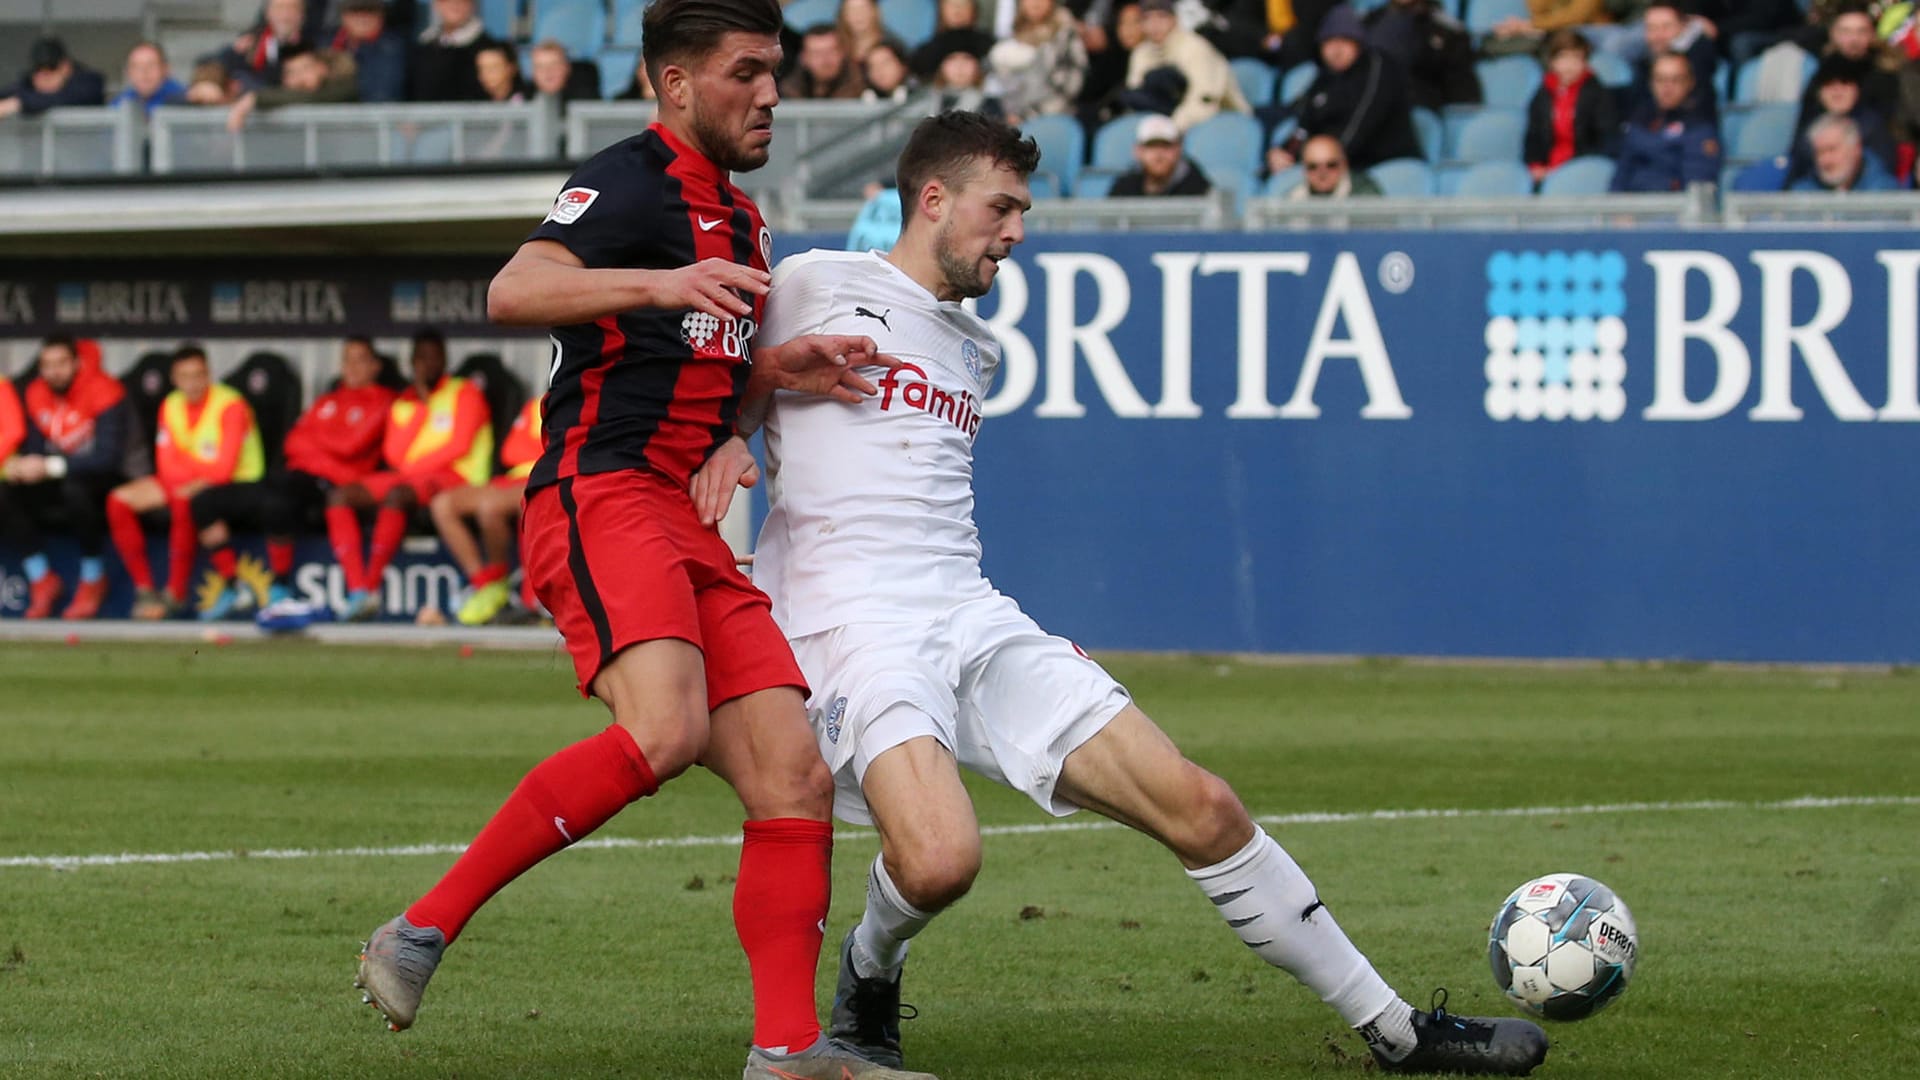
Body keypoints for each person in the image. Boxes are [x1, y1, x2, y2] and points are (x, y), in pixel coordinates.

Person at [690, 108, 1550, 1079]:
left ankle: (1400, 1034)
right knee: (938, 862)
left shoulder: (976, 350)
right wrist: (729, 421)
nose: (1017, 231)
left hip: (970, 611)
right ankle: (868, 968)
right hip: (851, 625)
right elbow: (703, 387)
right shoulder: (811, 285)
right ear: (933, 199)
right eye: (1002, 207)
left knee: (1203, 805)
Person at [352, 3, 925, 1077]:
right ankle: (420, 928)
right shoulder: (629, 180)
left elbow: (703, 374)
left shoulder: (746, 223)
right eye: (745, 73)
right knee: (663, 732)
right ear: (674, 86)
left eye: (776, 72)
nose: (771, 94)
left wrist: (759, 389)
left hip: (683, 515)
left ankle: (786, 1050)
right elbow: (515, 290)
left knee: (794, 778)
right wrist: (657, 281)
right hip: (599, 491)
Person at [193, 336, 396, 622]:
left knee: (278, 501)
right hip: (293, 475)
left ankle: (279, 588)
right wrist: (325, 443)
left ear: (375, 366)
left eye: (360, 359)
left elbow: (352, 445)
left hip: (329, 482)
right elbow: (293, 442)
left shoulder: (383, 400)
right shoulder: (327, 400)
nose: (351, 366)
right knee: (205, 501)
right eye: (346, 359)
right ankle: (231, 587)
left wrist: (316, 442)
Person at [325, 328, 491, 621]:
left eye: (434, 357)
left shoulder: (465, 392)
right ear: (412, 363)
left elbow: (458, 445)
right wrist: (421, 406)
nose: (428, 363)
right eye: (421, 358)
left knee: (396, 495)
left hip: (456, 478)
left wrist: (413, 467)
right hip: (411, 477)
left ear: (444, 359)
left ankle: (372, 586)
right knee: (340, 495)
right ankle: (358, 590)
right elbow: (394, 454)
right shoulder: (405, 402)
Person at [106, 345, 264, 620]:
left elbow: (224, 469)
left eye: (199, 375)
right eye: (185, 376)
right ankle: (145, 589)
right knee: (118, 500)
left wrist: (186, 464)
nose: (193, 383)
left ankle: (176, 592)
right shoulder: (171, 404)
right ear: (175, 379)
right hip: (183, 480)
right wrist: (193, 469)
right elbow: (165, 464)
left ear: (209, 374)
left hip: (235, 485)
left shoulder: (231, 405)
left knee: (184, 498)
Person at [0, 337, 130, 619]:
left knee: (76, 490)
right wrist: (22, 466)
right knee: (5, 490)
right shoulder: (36, 392)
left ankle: (93, 577)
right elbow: (35, 448)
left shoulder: (104, 391)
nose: (54, 371)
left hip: (104, 479)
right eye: (47, 365)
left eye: (61, 363)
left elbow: (107, 458)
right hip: (58, 475)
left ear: (76, 363)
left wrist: (50, 466)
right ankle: (41, 577)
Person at [1266, 5, 1421, 173]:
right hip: (1335, 168)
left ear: (1359, 44)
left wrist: (1313, 160)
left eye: (1345, 40)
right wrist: (1285, 153)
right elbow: (1303, 127)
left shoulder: (1377, 68)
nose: (1336, 50)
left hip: (1383, 167)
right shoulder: (1325, 78)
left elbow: (1357, 129)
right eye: (1329, 42)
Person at [429, 395, 539, 626]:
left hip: (542, 478)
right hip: (512, 479)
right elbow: (511, 451)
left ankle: (531, 599)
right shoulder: (535, 404)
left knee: (493, 508)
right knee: (442, 505)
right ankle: (487, 584)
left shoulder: (578, 402)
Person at [1125, 0, 1249, 129]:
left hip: (1224, 121)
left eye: (1162, 16)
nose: (1154, 24)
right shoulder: (1140, 53)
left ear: (1175, 18)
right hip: (1169, 124)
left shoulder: (1195, 46)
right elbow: (1135, 94)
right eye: (1147, 18)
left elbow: (1205, 101)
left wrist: (1172, 128)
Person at [1610, 51, 1721, 191]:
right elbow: (1620, 177)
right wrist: (1617, 210)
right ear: (1651, 83)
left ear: (1690, 83)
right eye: (1660, 80)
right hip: (1631, 209)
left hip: (1672, 209)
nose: (1667, 88)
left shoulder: (1700, 127)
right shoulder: (1640, 120)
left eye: (1676, 80)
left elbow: (1696, 188)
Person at [1524, 28, 1619, 183]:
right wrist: (1536, 165)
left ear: (1585, 62)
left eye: (1576, 58)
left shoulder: (1598, 94)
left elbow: (1604, 140)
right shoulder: (1542, 94)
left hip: (1584, 170)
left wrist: (1573, 169)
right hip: (1547, 170)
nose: (1569, 65)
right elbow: (1533, 136)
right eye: (1563, 58)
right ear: (1552, 61)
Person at [1362, 0, 1481, 112]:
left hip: (1419, 114)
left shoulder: (1448, 32)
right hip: (1368, 108)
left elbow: (1462, 92)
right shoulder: (1368, 24)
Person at [985, 0, 1090, 123]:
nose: (1035, 3)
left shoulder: (1065, 31)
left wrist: (1034, 113)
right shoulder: (1013, 33)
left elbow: (1076, 74)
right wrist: (1013, 112)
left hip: (1056, 116)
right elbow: (1006, 84)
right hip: (1016, 118)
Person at [226, 45, 359, 131]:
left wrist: (256, 99)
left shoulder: (344, 88)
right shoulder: (279, 98)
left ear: (321, 68)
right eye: (292, 73)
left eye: (305, 68)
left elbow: (315, 97)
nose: (299, 77)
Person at [217, 0, 312, 93]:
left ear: (302, 14)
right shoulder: (249, 47)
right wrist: (210, 82)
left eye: (292, 8)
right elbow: (215, 63)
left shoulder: (314, 47)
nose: (285, 15)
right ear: (268, 13)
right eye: (279, 8)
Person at [0, 37, 107, 119]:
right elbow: (12, 91)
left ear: (66, 67)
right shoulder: (27, 86)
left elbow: (64, 98)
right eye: (38, 70)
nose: (44, 75)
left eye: (51, 68)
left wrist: (19, 103)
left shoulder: (89, 83)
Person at [1109, 112, 1213, 194]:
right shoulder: (1124, 188)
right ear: (1138, 151)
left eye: (1165, 146)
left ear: (1178, 149)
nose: (1158, 154)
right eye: (1151, 146)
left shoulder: (1199, 190)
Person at [1790, 112, 1901, 190]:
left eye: (1832, 149)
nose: (1826, 160)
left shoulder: (1885, 193)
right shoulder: (1803, 194)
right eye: (1819, 152)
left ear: (1856, 149)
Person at [409, 0, 490, 101]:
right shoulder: (424, 45)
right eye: (446, 0)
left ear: (472, 4)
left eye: (462, 0)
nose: (454, 4)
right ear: (436, 4)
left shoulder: (488, 48)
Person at [330, 0, 407, 104]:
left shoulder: (395, 48)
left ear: (381, 15)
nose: (362, 17)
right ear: (343, 15)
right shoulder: (328, 43)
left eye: (370, 10)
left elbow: (382, 96)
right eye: (355, 10)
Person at [782, 24, 867, 99]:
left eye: (831, 51)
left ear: (843, 52)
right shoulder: (788, 92)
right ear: (804, 58)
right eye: (817, 54)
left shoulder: (864, 88)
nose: (825, 60)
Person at [1288, 132, 1381, 197]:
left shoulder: (1366, 196)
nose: (1322, 173)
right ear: (1304, 169)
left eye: (1331, 165)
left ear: (1344, 165)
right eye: (1313, 166)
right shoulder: (1292, 198)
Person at [111, 42, 188, 113]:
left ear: (165, 69)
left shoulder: (184, 99)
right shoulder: (121, 102)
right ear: (128, 72)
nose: (144, 72)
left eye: (151, 65)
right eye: (137, 67)